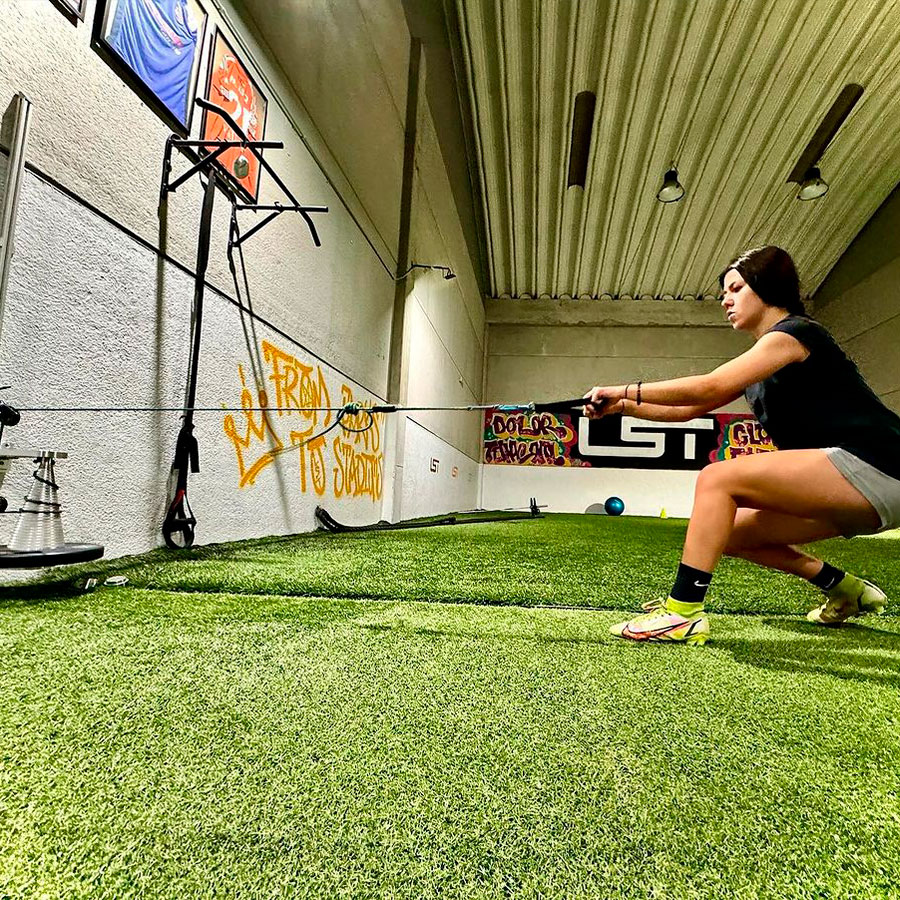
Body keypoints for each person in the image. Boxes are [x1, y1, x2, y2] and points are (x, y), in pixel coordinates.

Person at [583, 245, 900, 645]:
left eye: (735, 289)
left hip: (880, 464)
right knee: (730, 535)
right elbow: (691, 408)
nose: (725, 301)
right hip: (856, 487)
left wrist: (623, 389)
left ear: (766, 288)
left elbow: (710, 385)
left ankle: (682, 613)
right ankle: (845, 588)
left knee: (718, 478)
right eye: (723, 294)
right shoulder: (764, 361)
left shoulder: (795, 333)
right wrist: (622, 407)